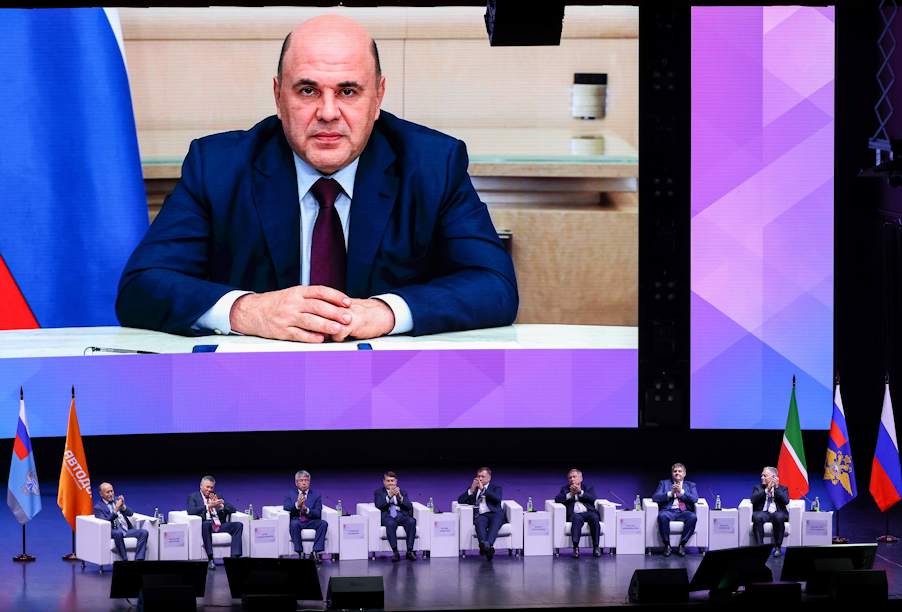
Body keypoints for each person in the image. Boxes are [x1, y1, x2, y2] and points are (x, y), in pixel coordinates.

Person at [116, 14, 518, 342]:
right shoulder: (218, 167)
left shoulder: (432, 164)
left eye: (348, 92)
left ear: (378, 97)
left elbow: (494, 284)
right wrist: (249, 310)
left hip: (392, 386)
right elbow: (142, 286)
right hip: (253, 387)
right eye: (308, 91)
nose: (327, 112)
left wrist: (384, 312)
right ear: (279, 96)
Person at [187, 475, 243, 570]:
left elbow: (233, 509)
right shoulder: (193, 497)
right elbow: (191, 511)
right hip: (206, 526)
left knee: (238, 525)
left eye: (211, 487)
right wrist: (208, 506)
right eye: (207, 487)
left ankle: (234, 558)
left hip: (219, 525)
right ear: (201, 485)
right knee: (206, 524)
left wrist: (220, 506)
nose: (209, 490)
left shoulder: (218, 495)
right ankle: (210, 559)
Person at [457, 467, 505, 560]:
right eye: (478, 476)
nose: (480, 479)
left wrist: (483, 490)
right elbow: (460, 500)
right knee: (479, 522)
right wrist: (471, 489)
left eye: (483, 476)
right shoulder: (473, 489)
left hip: (495, 513)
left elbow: (497, 498)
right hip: (481, 515)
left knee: (495, 522)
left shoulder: (495, 487)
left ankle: (486, 545)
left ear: (489, 478)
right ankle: (486, 546)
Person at [651, 463, 698, 557]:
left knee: (693, 517)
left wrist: (681, 491)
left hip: (683, 512)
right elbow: (655, 497)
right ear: (672, 473)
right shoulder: (664, 483)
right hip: (668, 511)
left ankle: (682, 545)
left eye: (680, 471)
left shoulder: (691, 485)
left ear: (684, 474)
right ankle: (667, 545)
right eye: (675, 471)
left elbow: (695, 499)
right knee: (662, 516)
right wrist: (671, 493)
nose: (677, 473)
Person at [93, 482, 148, 562]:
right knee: (118, 533)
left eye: (111, 491)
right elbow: (105, 523)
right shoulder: (98, 507)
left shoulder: (117, 500)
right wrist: (115, 511)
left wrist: (122, 506)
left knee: (144, 532)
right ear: (101, 494)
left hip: (126, 530)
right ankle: (125, 561)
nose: (111, 494)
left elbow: (130, 513)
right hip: (113, 531)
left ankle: (139, 560)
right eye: (107, 492)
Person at [554, 469, 602, 558]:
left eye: (574, 477)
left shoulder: (588, 488)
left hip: (588, 512)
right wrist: (571, 494)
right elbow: (558, 499)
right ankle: (575, 548)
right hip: (575, 514)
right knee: (576, 518)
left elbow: (593, 498)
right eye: (570, 478)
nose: (572, 479)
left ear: (580, 479)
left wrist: (580, 492)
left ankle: (596, 547)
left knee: (595, 518)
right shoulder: (565, 489)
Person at [284, 470, 328, 564]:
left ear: (309, 482)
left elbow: (318, 513)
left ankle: (315, 552)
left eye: (306, 480)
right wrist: (297, 505)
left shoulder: (316, 496)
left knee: (323, 523)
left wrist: (306, 509)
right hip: (297, 520)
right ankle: (300, 553)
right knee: (294, 524)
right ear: (296, 482)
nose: (304, 483)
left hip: (311, 520)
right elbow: (286, 507)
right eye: (301, 480)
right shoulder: (289, 494)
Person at [374, 471, 417, 561]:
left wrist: (400, 497)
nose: (390, 483)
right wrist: (389, 496)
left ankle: (409, 551)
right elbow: (378, 505)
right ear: (384, 482)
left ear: (396, 481)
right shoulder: (378, 492)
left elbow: (409, 506)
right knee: (390, 523)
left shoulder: (403, 492)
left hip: (400, 515)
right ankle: (395, 552)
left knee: (411, 521)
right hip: (387, 516)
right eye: (388, 481)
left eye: (392, 481)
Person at [750, 466, 790, 557]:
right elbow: (753, 499)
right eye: (762, 476)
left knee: (779, 518)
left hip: (776, 512)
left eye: (765, 476)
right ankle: (760, 547)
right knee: (757, 518)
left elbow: (786, 501)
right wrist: (766, 490)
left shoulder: (783, 488)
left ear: (773, 477)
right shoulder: (757, 488)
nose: (762, 478)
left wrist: (776, 489)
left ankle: (778, 547)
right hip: (763, 512)